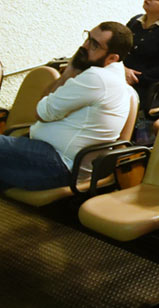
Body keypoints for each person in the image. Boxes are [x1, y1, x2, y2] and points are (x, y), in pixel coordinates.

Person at [0, 23, 133, 190]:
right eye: (88, 38)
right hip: (51, 157)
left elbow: (41, 112)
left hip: (57, 164)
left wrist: (68, 74)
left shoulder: (96, 77)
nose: (84, 46)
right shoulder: (112, 71)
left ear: (112, 58)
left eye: (94, 45)